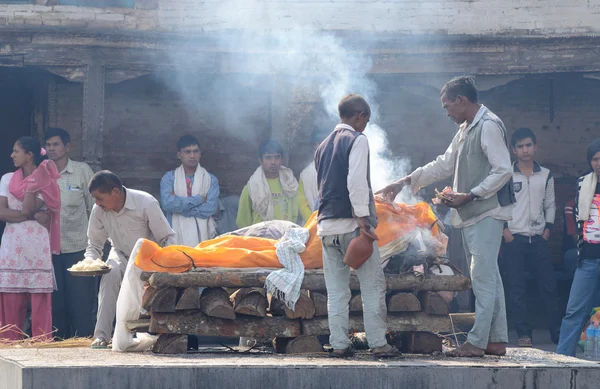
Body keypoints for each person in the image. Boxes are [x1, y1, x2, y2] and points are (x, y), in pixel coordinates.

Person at [377, 76, 515, 357]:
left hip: (487, 212)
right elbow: (444, 163)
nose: (447, 112)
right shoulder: (467, 128)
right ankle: (496, 340)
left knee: (482, 277)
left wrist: (471, 194)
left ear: (462, 101)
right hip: (473, 213)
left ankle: (476, 342)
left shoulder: (488, 126)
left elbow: (503, 170)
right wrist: (404, 181)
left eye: (447, 106)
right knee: (491, 277)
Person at [315, 94, 399, 358]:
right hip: (353, 226)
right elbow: (356, 183)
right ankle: (378, 344)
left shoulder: (322, 146)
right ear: (359, 115)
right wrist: (363, 218)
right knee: (373, 286)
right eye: (366, 120)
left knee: (337, 291)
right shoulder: (357, 140)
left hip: (326, 227)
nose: (366, 125)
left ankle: (339, 344)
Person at [86, 170, 175, 348]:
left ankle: (149, 334)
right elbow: (94, 245)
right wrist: (89, 263)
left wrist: (167, 267)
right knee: (110, 275)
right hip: (119, 253)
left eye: (100, 198)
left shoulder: (146, 202)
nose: (97, 203)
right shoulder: (99, 210)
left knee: (143, 293)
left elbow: (166, 238)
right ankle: (101, 336)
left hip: (147, 258)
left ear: (115, 192)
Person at [501, 127, 561, 347]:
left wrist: (546, 231)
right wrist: (505, 232)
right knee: (516, 288)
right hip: (513, 239)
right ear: (513, 150)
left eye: (528, 145)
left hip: (538, 238)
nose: (525, 150)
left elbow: (550, 205)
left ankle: (557, 333)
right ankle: (524, 335)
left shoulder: (545, 174)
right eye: (520, 146)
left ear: (535, 147)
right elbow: (500, 204)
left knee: (549, 287)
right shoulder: (506, 173)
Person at [0, 137, 61, 340]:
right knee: (11, 297)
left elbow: (25, 208)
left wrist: (34, 181)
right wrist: (33, 215)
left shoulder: (46, 179)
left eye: (16, 151)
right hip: (12, 244)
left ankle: (41, 345)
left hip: (37, 245)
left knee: (39, 299)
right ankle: (10, 344)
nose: (12, 155)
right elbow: (2, 213)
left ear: (29, 155)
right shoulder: (7, 179)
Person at [44, 128, 96, 339]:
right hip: (48, 250)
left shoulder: (82, 171)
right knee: (55, 303)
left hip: (79, 249)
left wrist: (98, 246)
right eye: (48, 145)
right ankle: (59, 345)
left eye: (55, 144)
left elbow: (95, 208)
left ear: (67, 146)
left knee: (81, 301)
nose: (51, 149)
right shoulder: (41, 173)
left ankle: (82, 342)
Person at [557, 138, 600, 356]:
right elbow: (578, 219)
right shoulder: (583, 183)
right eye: (595, 159)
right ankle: (563, 358)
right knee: (574, 310)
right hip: (588, 259)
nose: (599, 163)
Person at [160, 135, 220, 246]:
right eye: (187, 152)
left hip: (203, 237)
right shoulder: (169, 178)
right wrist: (198, 199)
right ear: (179, 155)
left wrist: (179, 206)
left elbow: (210, 209)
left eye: (195, 151)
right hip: (175, 235)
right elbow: (168, 204)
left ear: (200, 153)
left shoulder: (210, 179)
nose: (192, 156)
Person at [236, 140, 300, 228]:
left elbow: (294, 213)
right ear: (260, 160)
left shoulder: (290, 183)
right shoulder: (251, 188)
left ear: (282, 159)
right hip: (260, 237)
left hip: (285, 235)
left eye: (277, 157)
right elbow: (242, 221)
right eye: (268, 158)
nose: (273, 162)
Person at [298, 130, 328, 222]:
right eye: (315, 146)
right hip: (312, 224)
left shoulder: (337, 169)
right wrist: (313, 221)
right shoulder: (305, 174)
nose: (317, 147)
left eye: (321, 145)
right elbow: (302, 204)